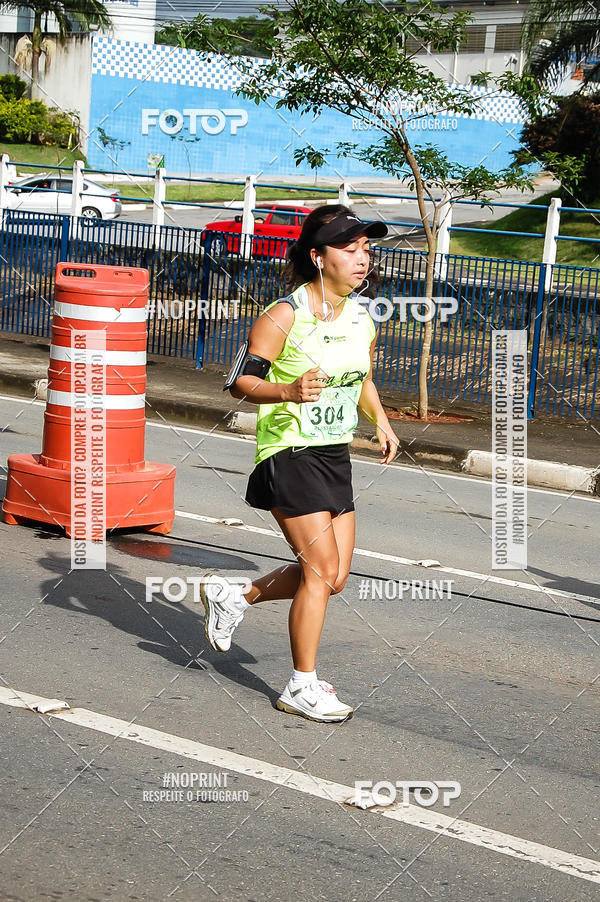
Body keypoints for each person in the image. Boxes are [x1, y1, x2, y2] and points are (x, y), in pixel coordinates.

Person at [200, 205, 399, 722]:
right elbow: (239, 383)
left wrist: (380, 420)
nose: (363, 259)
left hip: (334, 453)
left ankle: (236, 596)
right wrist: (287, 390)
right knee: (320, 571)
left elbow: (361, 377)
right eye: (349, 249)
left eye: (366, 249)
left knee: (335, 578)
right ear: (318, 256)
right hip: (288, 450)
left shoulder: (361, 315)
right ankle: (301, 686)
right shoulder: (284, 315)